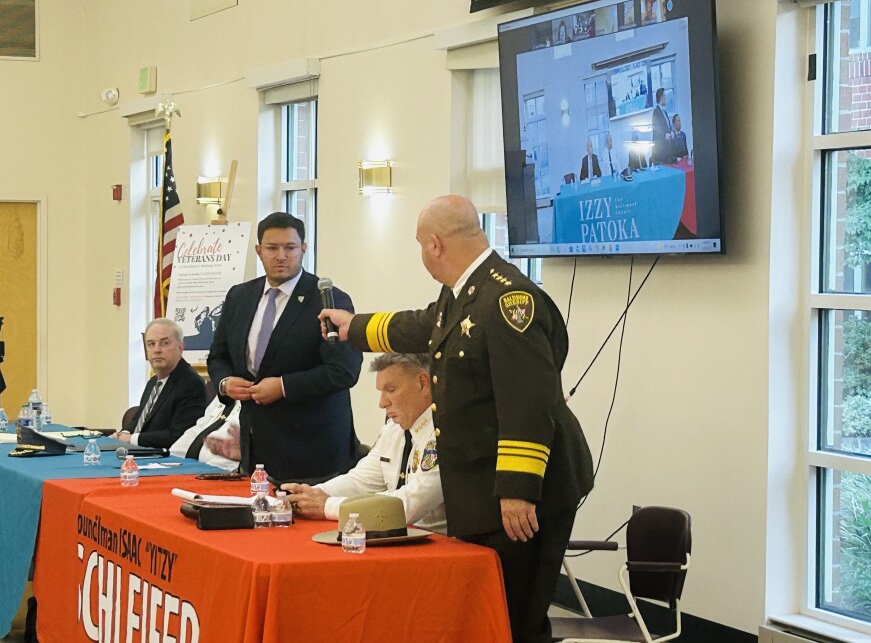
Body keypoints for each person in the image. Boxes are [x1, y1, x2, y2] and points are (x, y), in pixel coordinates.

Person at [320, 195, 594, 643]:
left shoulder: (509, 300)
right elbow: (424, 325)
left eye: (419, 246)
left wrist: (517, 492)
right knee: (488, 617)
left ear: (434, 245)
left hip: (523, 494)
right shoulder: (468, 292)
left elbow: (529, 401)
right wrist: (355, 328)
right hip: (484, 490)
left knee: (516, 620)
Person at [207, 212, 363, 482]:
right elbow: (218, 356)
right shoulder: (239, 296)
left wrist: (282, 386)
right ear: (258, 251)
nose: (281, 256)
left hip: (314, 450)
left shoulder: (329, 299)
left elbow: (343, 372)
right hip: (256, 449)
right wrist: (225, 383)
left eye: (290, 247)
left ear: (303, 249)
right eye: (272, 248)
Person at [282, 353, 446, 534]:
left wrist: (327, 506)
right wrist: (309, 495)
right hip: (398, 539)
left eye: (391, 390)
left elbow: (407, 506)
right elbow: (360, 482)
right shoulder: (394, 429)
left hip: (443, 547)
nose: (382, 403)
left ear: (423, 383)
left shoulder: (445, 432)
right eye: (381, 392)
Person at [112, 318, 205, 449]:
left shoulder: (191, 384)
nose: (157, 350)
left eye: (164, 343)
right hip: (138, 452)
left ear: (180, 348)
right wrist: (122, 434)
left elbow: (179, 435)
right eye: (151, 344)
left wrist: (131, 438)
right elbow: (139, 420)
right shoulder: (153, 382)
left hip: (164, 460)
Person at [169, 396, 241, 471]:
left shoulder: (251, 402)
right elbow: (200, 427)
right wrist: (171, 458)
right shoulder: (224, 393)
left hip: (219, 472)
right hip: (193, 469)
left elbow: (229, 459)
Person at [651, 87, 674, 165]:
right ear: (661, 97)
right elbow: (656, 129)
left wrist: (671, 132)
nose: (666, 98)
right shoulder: (656, 112)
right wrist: (665, 135)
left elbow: (668, 126)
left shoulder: (665, 112)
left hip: (667, 149)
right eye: (665, 96)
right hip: (660, 150)